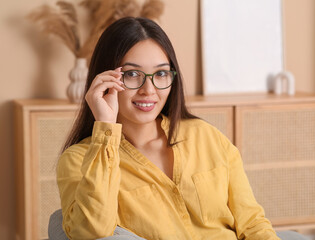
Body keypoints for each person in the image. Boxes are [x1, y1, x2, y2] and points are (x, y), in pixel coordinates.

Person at [57, 17, 280, 240]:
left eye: (161, 73)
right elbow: (90, 231)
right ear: (105, 79)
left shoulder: (207, 136)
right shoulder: (78, 160)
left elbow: (252, 223)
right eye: (132, 74)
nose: (149, 90)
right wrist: (105, 127)